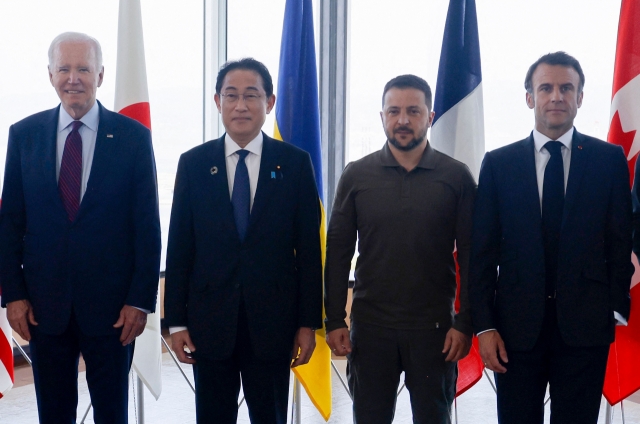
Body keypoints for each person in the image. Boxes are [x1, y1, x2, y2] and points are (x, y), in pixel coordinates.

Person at [0, 32, 161, 423]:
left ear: (101, 75)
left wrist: (140, 301)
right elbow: (10, 223)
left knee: (111, 412)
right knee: (53, 413)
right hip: (43, 307)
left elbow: (146, 225)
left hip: (114, 311)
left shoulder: (133, 138)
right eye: (65, 69)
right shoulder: (23, 136)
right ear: (51, 74)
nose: (74, 78)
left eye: (84, 69)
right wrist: (13, 296)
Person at [469, 51, 633, 424]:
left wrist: (615, 308)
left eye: (566, 88)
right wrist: (486, 325)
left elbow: (621, 240)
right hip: (514, 332)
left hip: (586, 331)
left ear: (580, 97)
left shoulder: (608, 161)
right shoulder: (498, 165)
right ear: (530, 98)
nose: (556, 96)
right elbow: (482, 253)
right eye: (546, 88)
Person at [164, 57, 322, 424]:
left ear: (269, 102)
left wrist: (307, 323)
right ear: (217, 102)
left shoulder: (295, 164)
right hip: (209, 323)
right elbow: (180, 248)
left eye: (251, 95)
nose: (240, 105)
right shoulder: (194, 164)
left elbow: (309, 253)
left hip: (273, 324)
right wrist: (176, 321)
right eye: (230, 95)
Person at [324, 74, 475, 424]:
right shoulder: (356, 175)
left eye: (413, 111)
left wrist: (465, 322)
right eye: (393, 111)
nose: (403, 120)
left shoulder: (456, 177)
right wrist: (334, 318)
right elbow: (337, 253)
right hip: (371, 328)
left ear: (431, 116)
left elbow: (471, 256)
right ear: (382, 117)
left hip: (436, 330)